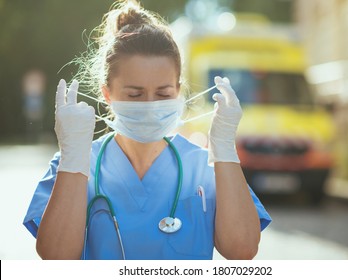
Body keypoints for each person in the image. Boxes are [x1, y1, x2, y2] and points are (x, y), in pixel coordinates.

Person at [23, 0, 271, 260]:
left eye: (163, 93)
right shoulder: (75, 164)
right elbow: (55, 257)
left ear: (178, 91)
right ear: (107, 94)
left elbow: (242, 251)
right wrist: (73, 160)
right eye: (135, 94)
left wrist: (225, 150)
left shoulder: (206, 167)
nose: (151, 106)